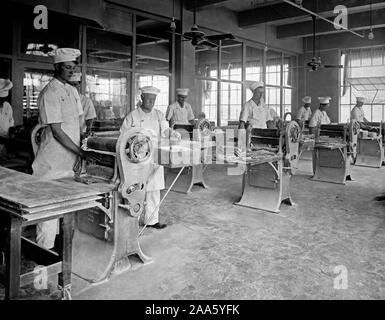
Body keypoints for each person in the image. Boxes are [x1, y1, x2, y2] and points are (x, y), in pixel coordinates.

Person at [32, 48, 90, 249]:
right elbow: (56, 131)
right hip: (52, 159)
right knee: (48, 207)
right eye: (66, 67)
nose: (70, 71)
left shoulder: (72, 91)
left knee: (66, 204)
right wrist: (80, 151)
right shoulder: (50, 92)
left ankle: (60, 248)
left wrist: (83, 143)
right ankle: (44, 250)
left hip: (70, 158)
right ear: (56, 67)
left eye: (72, 67)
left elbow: (78, 123)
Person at [120, 86, 171, 229]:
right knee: (135, 189)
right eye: (148, 99)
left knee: (154, 189)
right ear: (142, 98)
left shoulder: (159, 115)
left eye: (153, 99)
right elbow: (123, 135)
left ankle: (152, 220)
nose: (151, 101)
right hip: (136, 159)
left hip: (154, 157)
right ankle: (132, 221)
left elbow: (166, 129)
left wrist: (172, 133)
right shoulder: (133, 116)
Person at [0, 79, 14, 159]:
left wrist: (12, 133)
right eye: (0, 99)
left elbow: (11, 121)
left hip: (5, 142)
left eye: (4, 99)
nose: (2, 102)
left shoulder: (7, 105)